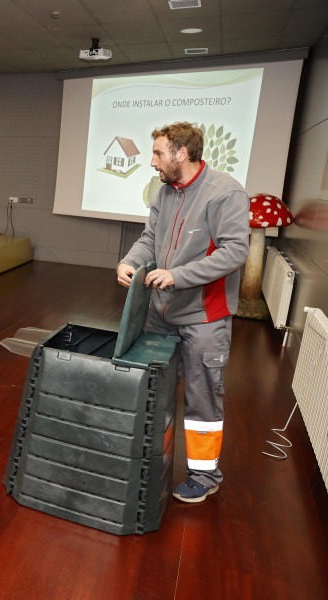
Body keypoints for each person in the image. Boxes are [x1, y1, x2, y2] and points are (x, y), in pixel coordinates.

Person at [117, 122, 249, 504]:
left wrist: (177, 276)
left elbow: (234, 252)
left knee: (202, 395)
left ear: (182, 154)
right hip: (160, 313)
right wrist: (129, 262)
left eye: (158, 153)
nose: (153, 162)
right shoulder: (163, 191)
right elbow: (149, 239)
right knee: (153, 386)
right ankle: (147, 453)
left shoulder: (225, 193)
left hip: (204, 317)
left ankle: (205, 476)